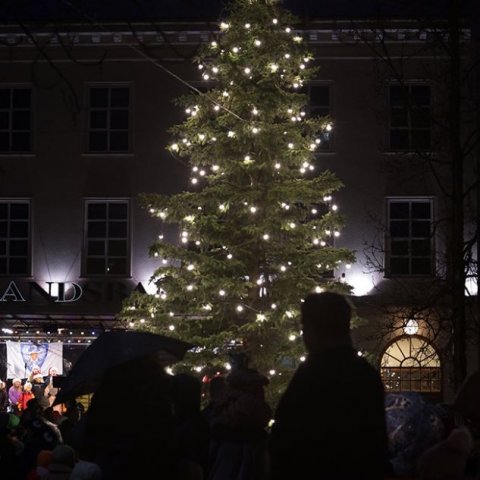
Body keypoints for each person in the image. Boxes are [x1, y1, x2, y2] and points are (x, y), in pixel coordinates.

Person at [269, 291, 390, 480]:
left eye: (304, 326)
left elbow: (286, 441)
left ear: (312, 329)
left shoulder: (312, 375)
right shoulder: (366, 373)